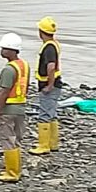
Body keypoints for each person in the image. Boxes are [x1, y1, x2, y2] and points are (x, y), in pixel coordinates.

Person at [0, 33, 28, 182]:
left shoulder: (9, 69)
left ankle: (12, 172)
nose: (1, 51)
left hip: (9, 109)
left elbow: (4, 92)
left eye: (4, 48)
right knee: (17, 139)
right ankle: (17, 169)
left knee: (7, 139)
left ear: (11, 50)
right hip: (20, 107)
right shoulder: (23, 65)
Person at [29, 16, 62, 155]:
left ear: (41, 31)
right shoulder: (54, 44)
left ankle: (44, 145)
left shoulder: (48, 47)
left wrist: (49, 85)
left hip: (49, 85)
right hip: (55, 83)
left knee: (44, 115)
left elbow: (51, 67)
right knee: (51, 114)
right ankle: (53, 143)